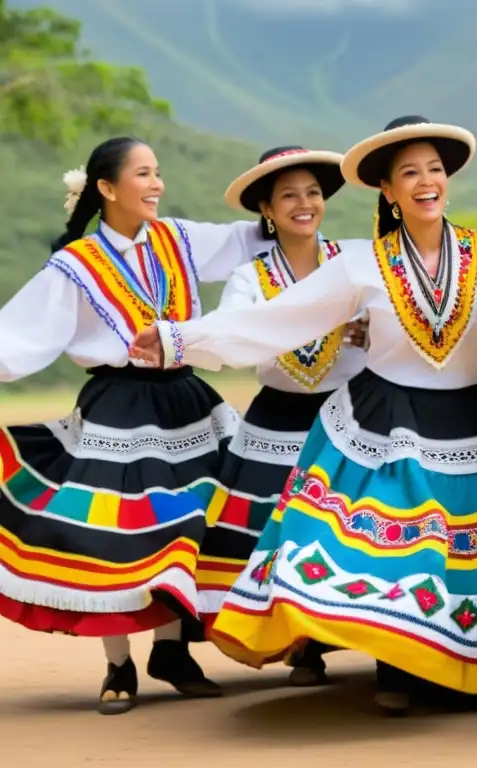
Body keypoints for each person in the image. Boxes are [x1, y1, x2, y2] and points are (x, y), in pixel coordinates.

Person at [130, 117, 477, 713]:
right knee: (399, 545)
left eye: (434, 170)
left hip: (475, 417)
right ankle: (397, 668)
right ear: (387, 190)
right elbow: (277, 321)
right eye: (409, 172)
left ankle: (474, 669)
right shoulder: (361, 262)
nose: (425, 182)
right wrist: (179, 339)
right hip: (392, 423)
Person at [0, 136, 265, 714]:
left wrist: (281, 194)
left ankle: (170, 651)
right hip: (118, 408)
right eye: (143, 174)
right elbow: (17, 337)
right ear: (106, 187)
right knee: (115, 533)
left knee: (193, 521)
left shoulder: (179, 238)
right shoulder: (75, 266)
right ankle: (118, 663)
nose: (156, 185)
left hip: (187, 400)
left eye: (158, 173)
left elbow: (249, 239)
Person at [192, 146, 370, 686]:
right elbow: (236, 334)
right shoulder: (250, 278)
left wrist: (372, 327)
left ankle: (338, 634)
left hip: (349, 411)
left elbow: (390, 313)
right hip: (278, 419)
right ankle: (298, 641)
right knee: (279, 527)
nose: (304, 203)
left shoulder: (353, 262)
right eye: (289, 195)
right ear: (267, 209)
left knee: (347, 523)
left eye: (313, 193)